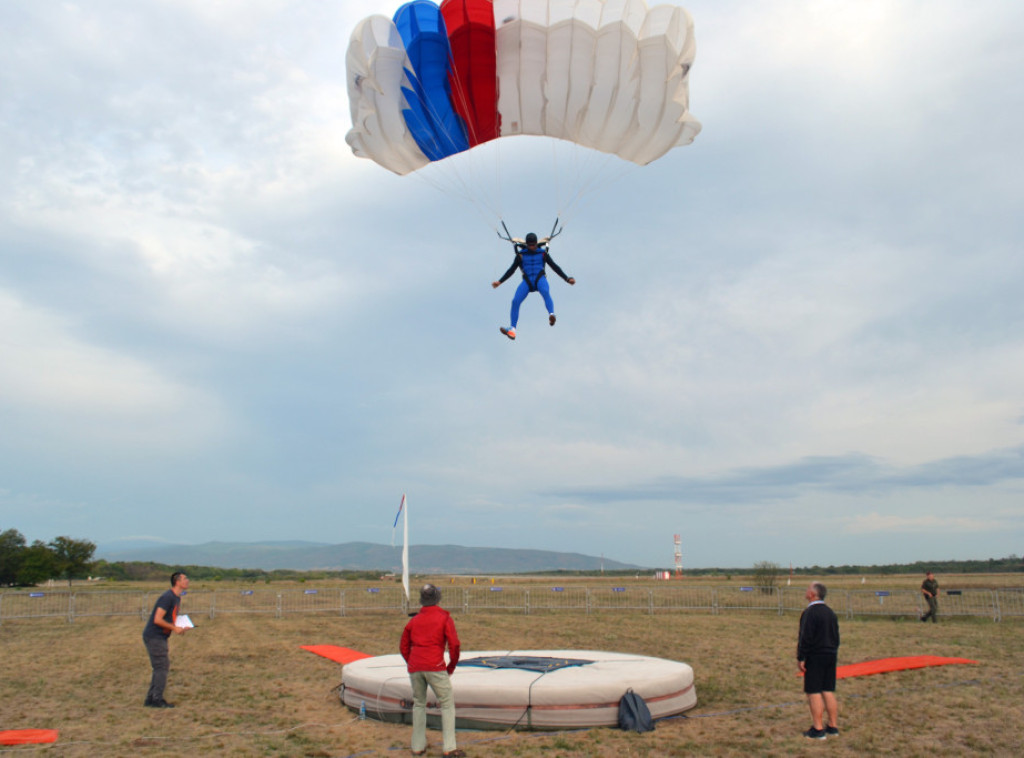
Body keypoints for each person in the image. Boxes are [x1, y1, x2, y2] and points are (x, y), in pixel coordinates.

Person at [400, 584, 464, 757]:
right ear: (437, 598)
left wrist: (412, 662)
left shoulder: (414, 621)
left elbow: (403, 645)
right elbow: (454, 645)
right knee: (447, 704)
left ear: (422, 599)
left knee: (419, 704)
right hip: (435, 665)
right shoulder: (444, 618)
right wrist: (451, 666)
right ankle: (449, 747)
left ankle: (417, 746)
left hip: (416, 666)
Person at [492, 232, 575, 340]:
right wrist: (500, 282)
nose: (532, 247)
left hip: (540, 278)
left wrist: (567, 278)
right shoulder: (521, 255)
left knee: (545, 292)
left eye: (533, 245)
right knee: (515, 301)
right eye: (530, 245)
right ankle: (512, 329)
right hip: (527, 281)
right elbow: (511, 270)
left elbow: (555, 267)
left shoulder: (543, 253)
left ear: (536, 243)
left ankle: (551, 314)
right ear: (527, 244)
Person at [797, 581, 840, 740]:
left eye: (808, 589)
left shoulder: (810, 613)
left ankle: (818, 729)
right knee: (827, 690)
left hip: (815, 655)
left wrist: (801, 657)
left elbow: (805, 637)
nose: (806, 590)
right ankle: (833, 726)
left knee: (813, 691)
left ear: (813, 594)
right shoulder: (830, 612)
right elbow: (836, 636)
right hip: (831, 654)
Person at [142, 571, 190, 708]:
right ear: (177, 582)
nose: (187, 581)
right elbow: (157, 619)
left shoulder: (176, 598)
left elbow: (169, 618)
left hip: (161, 636)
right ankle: (156, 699)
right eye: (185, 578)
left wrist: (180, 627)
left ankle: (151, 699)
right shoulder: (167, 597)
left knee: (159, 667)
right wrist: (174, 628)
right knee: (162, 667)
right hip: (154, 636)